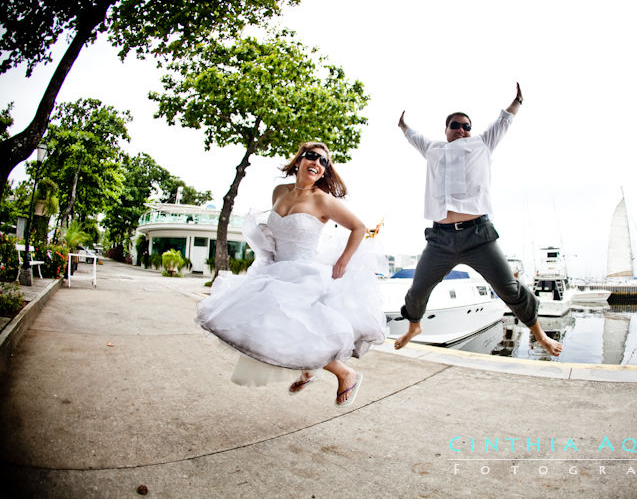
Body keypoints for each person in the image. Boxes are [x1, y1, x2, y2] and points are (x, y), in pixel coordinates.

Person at [196, 142, 387, 407]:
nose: (318, 163)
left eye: (324, 162)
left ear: (324, 172)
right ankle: (308, 370)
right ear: (299, 160)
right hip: (275, 268)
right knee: (269, 328)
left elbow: (359, 227)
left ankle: (346, 373)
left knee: (293, 324)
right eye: (312, 157)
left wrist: (343, 262)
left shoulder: (322, 199)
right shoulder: (279, 192)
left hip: (305, 272)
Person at [394, 83, 562, 356]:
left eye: (466, 126)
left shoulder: (482, 143)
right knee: (417, 290)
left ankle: (539, 334)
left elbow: (504, 121)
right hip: (440, 239)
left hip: (478, 236)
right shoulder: (433, 149)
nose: (461, 130)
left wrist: (518, 100)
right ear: (446, 129)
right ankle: (414, 327)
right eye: (455, 126)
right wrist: (403, 126)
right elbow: (414, 137)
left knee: (510, 289)